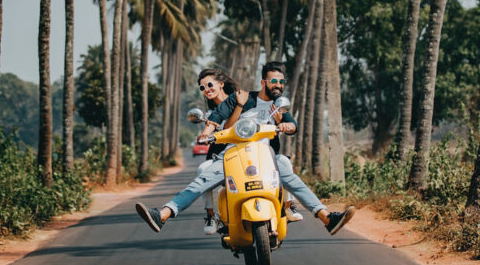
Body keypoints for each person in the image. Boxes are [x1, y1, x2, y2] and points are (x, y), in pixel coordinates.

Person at [136, 62, 354, 235]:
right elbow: (215, 119)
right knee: (201, 180)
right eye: (273, 81)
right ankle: (163, 214)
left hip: (265, 156)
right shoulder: (239, 99)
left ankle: (326, 218)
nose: (277, 84)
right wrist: (206, 132)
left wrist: (286, 125)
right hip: (232, 155)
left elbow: (292, 124)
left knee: (290, 174)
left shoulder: (278, 105)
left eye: (280, 81)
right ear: (263, 82)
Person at [196, 69, 303, 235]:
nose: (207, 89)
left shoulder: (242, 100)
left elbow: (262, 119)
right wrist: (205, 133)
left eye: (210, 85)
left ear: (221, 84)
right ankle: (211, 216)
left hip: (250, 151)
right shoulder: (215, 111)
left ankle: (287, 207)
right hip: (224, 154)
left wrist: (279, 123)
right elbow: (215, 125)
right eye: (203, 88)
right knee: (203, 170)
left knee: (282, 164)